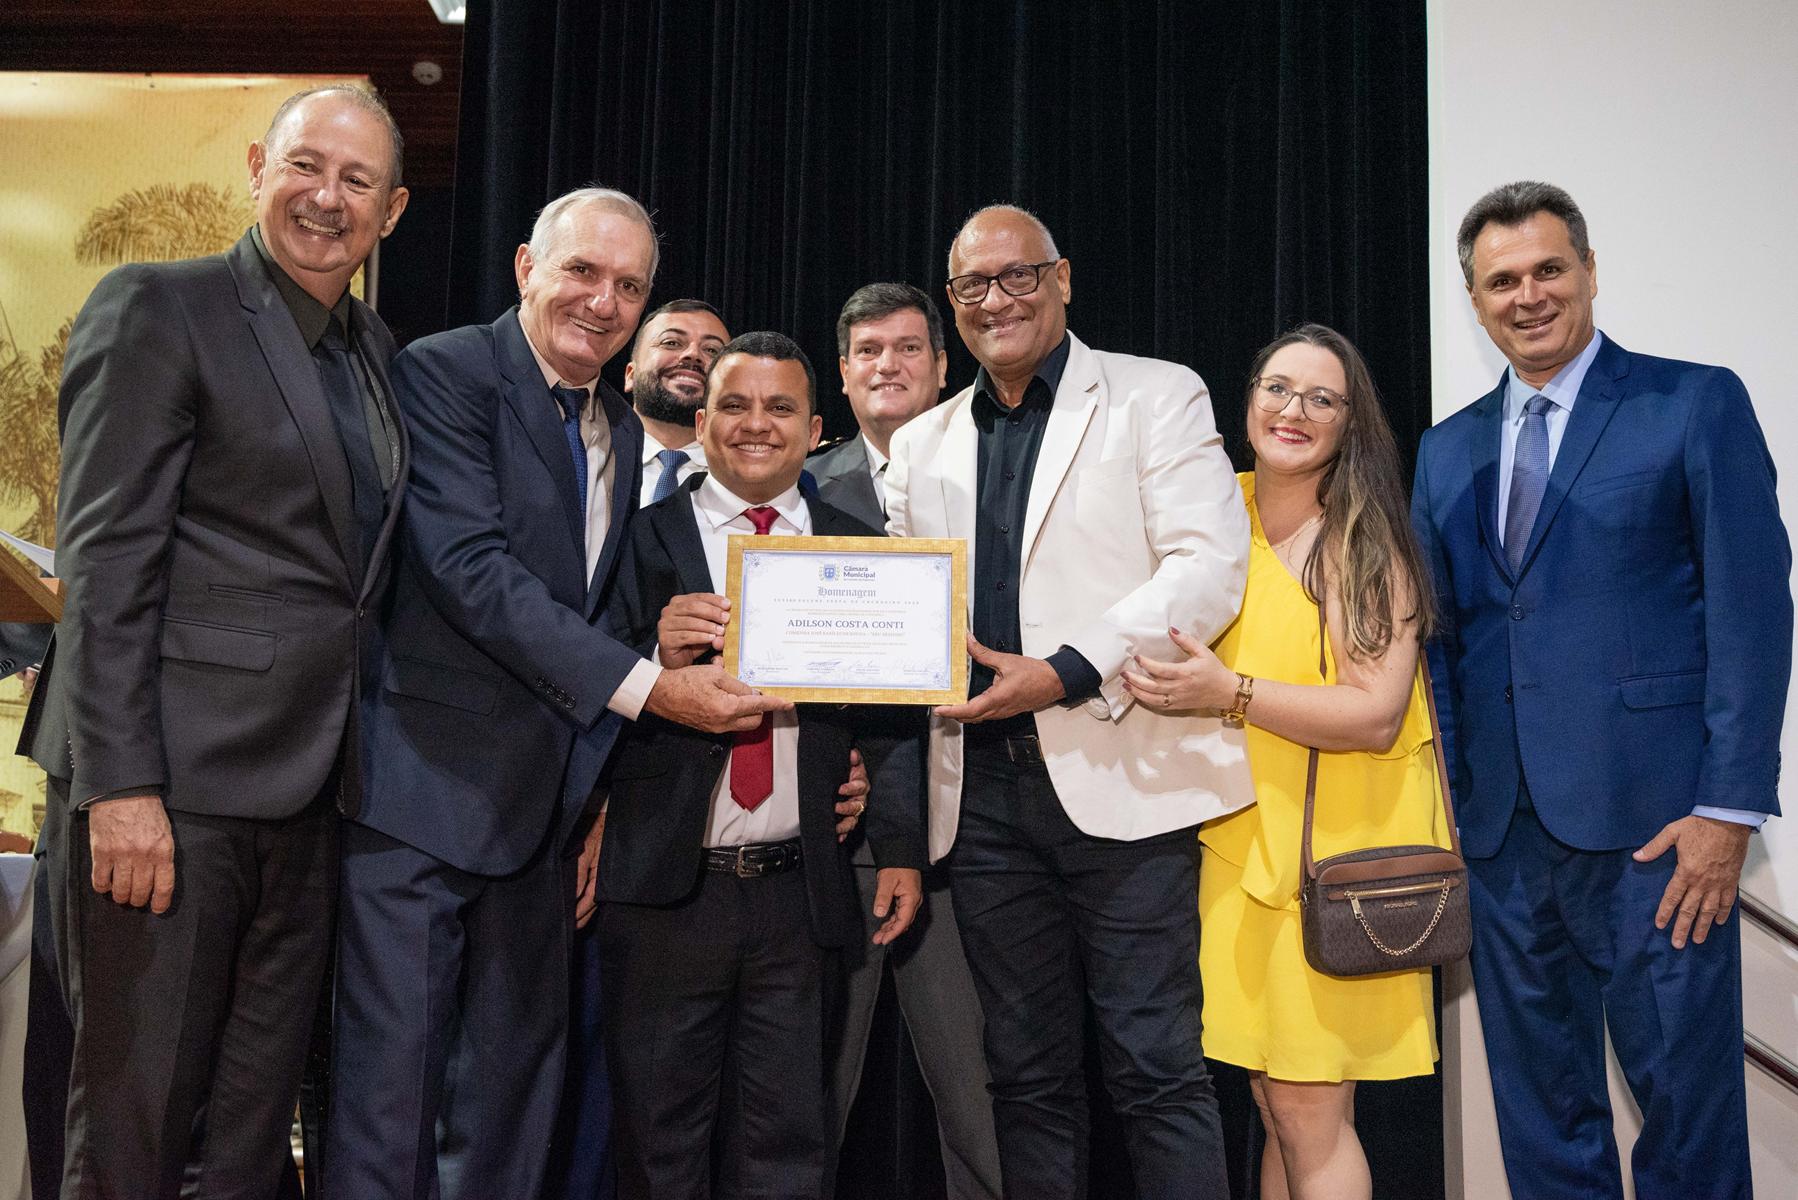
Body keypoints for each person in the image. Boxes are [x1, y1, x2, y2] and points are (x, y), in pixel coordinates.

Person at [325, 187, 787, 1199]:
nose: (602, 301)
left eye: (628, 285)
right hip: (421, 803)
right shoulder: (444, 371)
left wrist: (605, 771)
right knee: (390, 1103)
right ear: (527, 268)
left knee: (514, 1105)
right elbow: (471, 572)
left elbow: (596, 613)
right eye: (582, 271)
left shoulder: (617, 422)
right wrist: (652, 689)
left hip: (545, 822)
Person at [18, 83, 410, 1196]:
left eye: (357, 180)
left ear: (392, 210)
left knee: (247, 1136)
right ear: (254, 168)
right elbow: (106, 567)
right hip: (169, 795)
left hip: (310, 799)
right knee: (134, 1129)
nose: (327, 198)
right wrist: (121, 787)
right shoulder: (159, 306)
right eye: (306, 166)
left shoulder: (373, 348)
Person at [1412, 180, 1789, 1199]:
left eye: (1548, 269)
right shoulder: (1444, 450)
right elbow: (1440, 644)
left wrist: (1728, 809)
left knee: (1688, 1118)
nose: (1527, 295)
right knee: (1542, 1120)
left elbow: (1752, 613)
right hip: (1500, 840)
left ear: (1587, 271)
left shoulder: (1692, 402)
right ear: (1474, 300)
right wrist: (1454, 806)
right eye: (1501, 281)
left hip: (1658, 838)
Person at [885, 204, 1252, 1199]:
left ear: (1062, 279)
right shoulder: (919, 444)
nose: (996, 300)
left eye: (1018, 276)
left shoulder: (1155, 395)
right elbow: (898, 609)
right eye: (972, 285)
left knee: (1157, 1071)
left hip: (1124, 776)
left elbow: (1208, 567)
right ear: (953, 301)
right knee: (1024, 1076)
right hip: (981, 799)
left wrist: (1069, 668)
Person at [598, 331, 927, 1199]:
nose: (757, 424)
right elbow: (577, 679)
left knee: (788, 1148)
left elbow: (891, 718)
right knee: (658, 1147)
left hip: (799, 893)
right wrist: (653, 657)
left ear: (814, 429)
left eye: (780, 408)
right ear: (703, 422)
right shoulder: (633, 540)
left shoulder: (860, 547)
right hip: (666, 892)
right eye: (735, 406)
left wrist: (898, 846)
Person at [1124, 325, 1447, 1200]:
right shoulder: (1214, 515)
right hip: (1239, 855)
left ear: (1350, 423)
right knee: (1275, 1106)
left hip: (1335, 864)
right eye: (1277, 388)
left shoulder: (1362, 541)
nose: (1293, 410)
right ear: (1248, 401)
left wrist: (1228, 692)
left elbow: (1376, 714)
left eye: (1321, 398)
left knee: (1311, 1114)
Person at [808, 281, 1002, 1199]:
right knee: (807, 1101)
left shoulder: (996, 477)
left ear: (943, 366)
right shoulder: (802, 491)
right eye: (869, 352)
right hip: (837, 836)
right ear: (844, 373)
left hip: (974, 835)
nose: (888, 365)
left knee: (984, 1104)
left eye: (909, 348)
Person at [626, 298, 731, 505]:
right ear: (630, 375)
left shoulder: (750, 481)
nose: (693, 354)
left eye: (712, 350)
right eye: (671, 343)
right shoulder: (590, 458)